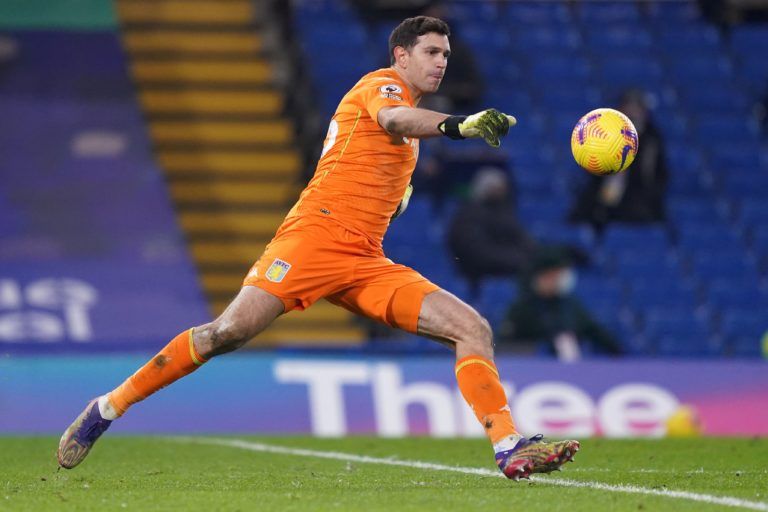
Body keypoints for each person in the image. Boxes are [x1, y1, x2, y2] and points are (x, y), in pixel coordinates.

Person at [57, 16, 578, 481]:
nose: (442, 62)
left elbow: (380, 168)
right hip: (314, 239)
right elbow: (394, 120)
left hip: (365, 261)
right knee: (226, 333)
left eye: (446, 54)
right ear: (401, 55)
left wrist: (395, 198)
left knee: (472, 328)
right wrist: (458, 125)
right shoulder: (381, 85)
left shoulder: (410, 137)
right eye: (431, 52)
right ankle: (108, 407)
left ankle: (509, 447)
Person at [568, 89, 668, 234]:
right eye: (628, 107)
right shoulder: (605, 132)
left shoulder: (651, 141)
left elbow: (654, 176)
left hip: (636, 201)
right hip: (601, 198)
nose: (632, 113)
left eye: (636, 108)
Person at [498, 248, 623, 360]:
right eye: (556, 275)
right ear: (542, 277)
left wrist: (619, 355)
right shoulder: (522, 309)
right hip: (536, 369)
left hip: (571, 369)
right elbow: (506, 345)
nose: (561, 279)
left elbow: (595, 332)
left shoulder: (571, 305)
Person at [447, 167, 538, 294]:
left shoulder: (504, 213)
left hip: (510, 268)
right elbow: (476, 251)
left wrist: (533, 258)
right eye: (494, 188)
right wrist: (516, 260)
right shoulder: (468, 215)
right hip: (479, 275)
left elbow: (522, 239)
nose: (499, 191)